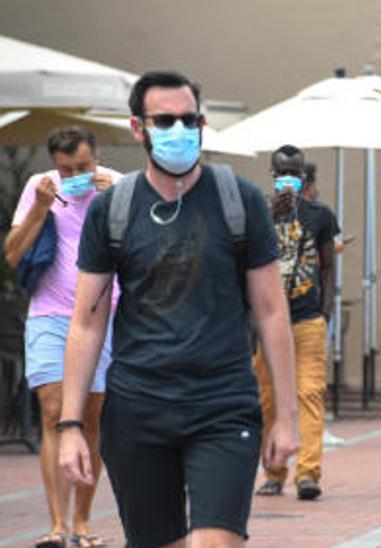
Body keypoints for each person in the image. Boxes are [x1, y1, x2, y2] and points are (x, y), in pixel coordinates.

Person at [58, 71, 300, 547]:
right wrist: (70, 425)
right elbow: (87, 323)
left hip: (222, 405)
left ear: (202, 123)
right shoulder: (114, 209)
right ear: (137, 128)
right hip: (137, 410)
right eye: (164, 120)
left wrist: (288, 417)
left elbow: (272, 311)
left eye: (188, 119)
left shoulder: (239, 200)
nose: (178, 130)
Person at [5, 126, 119, 548]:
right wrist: (38, 209)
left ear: (97, 158)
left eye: (83, 167)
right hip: (51, 315)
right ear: (54, 163)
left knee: (91, 414)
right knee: (54, 410)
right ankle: (57, 526)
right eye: (66, 167)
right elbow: (13, 254)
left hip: (104, 313)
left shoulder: (119, 187)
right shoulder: (40, 187)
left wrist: (114, 204)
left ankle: (84, 521)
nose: (75, 174)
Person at [250, 145, 337, 501]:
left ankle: (308, 474)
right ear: (272, 175)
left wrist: (324, 312)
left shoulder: (320, 215)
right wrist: (270, 214)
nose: (289, 178)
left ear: (304, 177)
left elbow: (329, 265)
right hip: (267, 325)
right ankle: (273, 472)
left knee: (309, 394)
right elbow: (242, 256)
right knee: (267, 399)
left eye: (295, 173)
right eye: (282, 172)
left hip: (306, 319)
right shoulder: (257, 214)